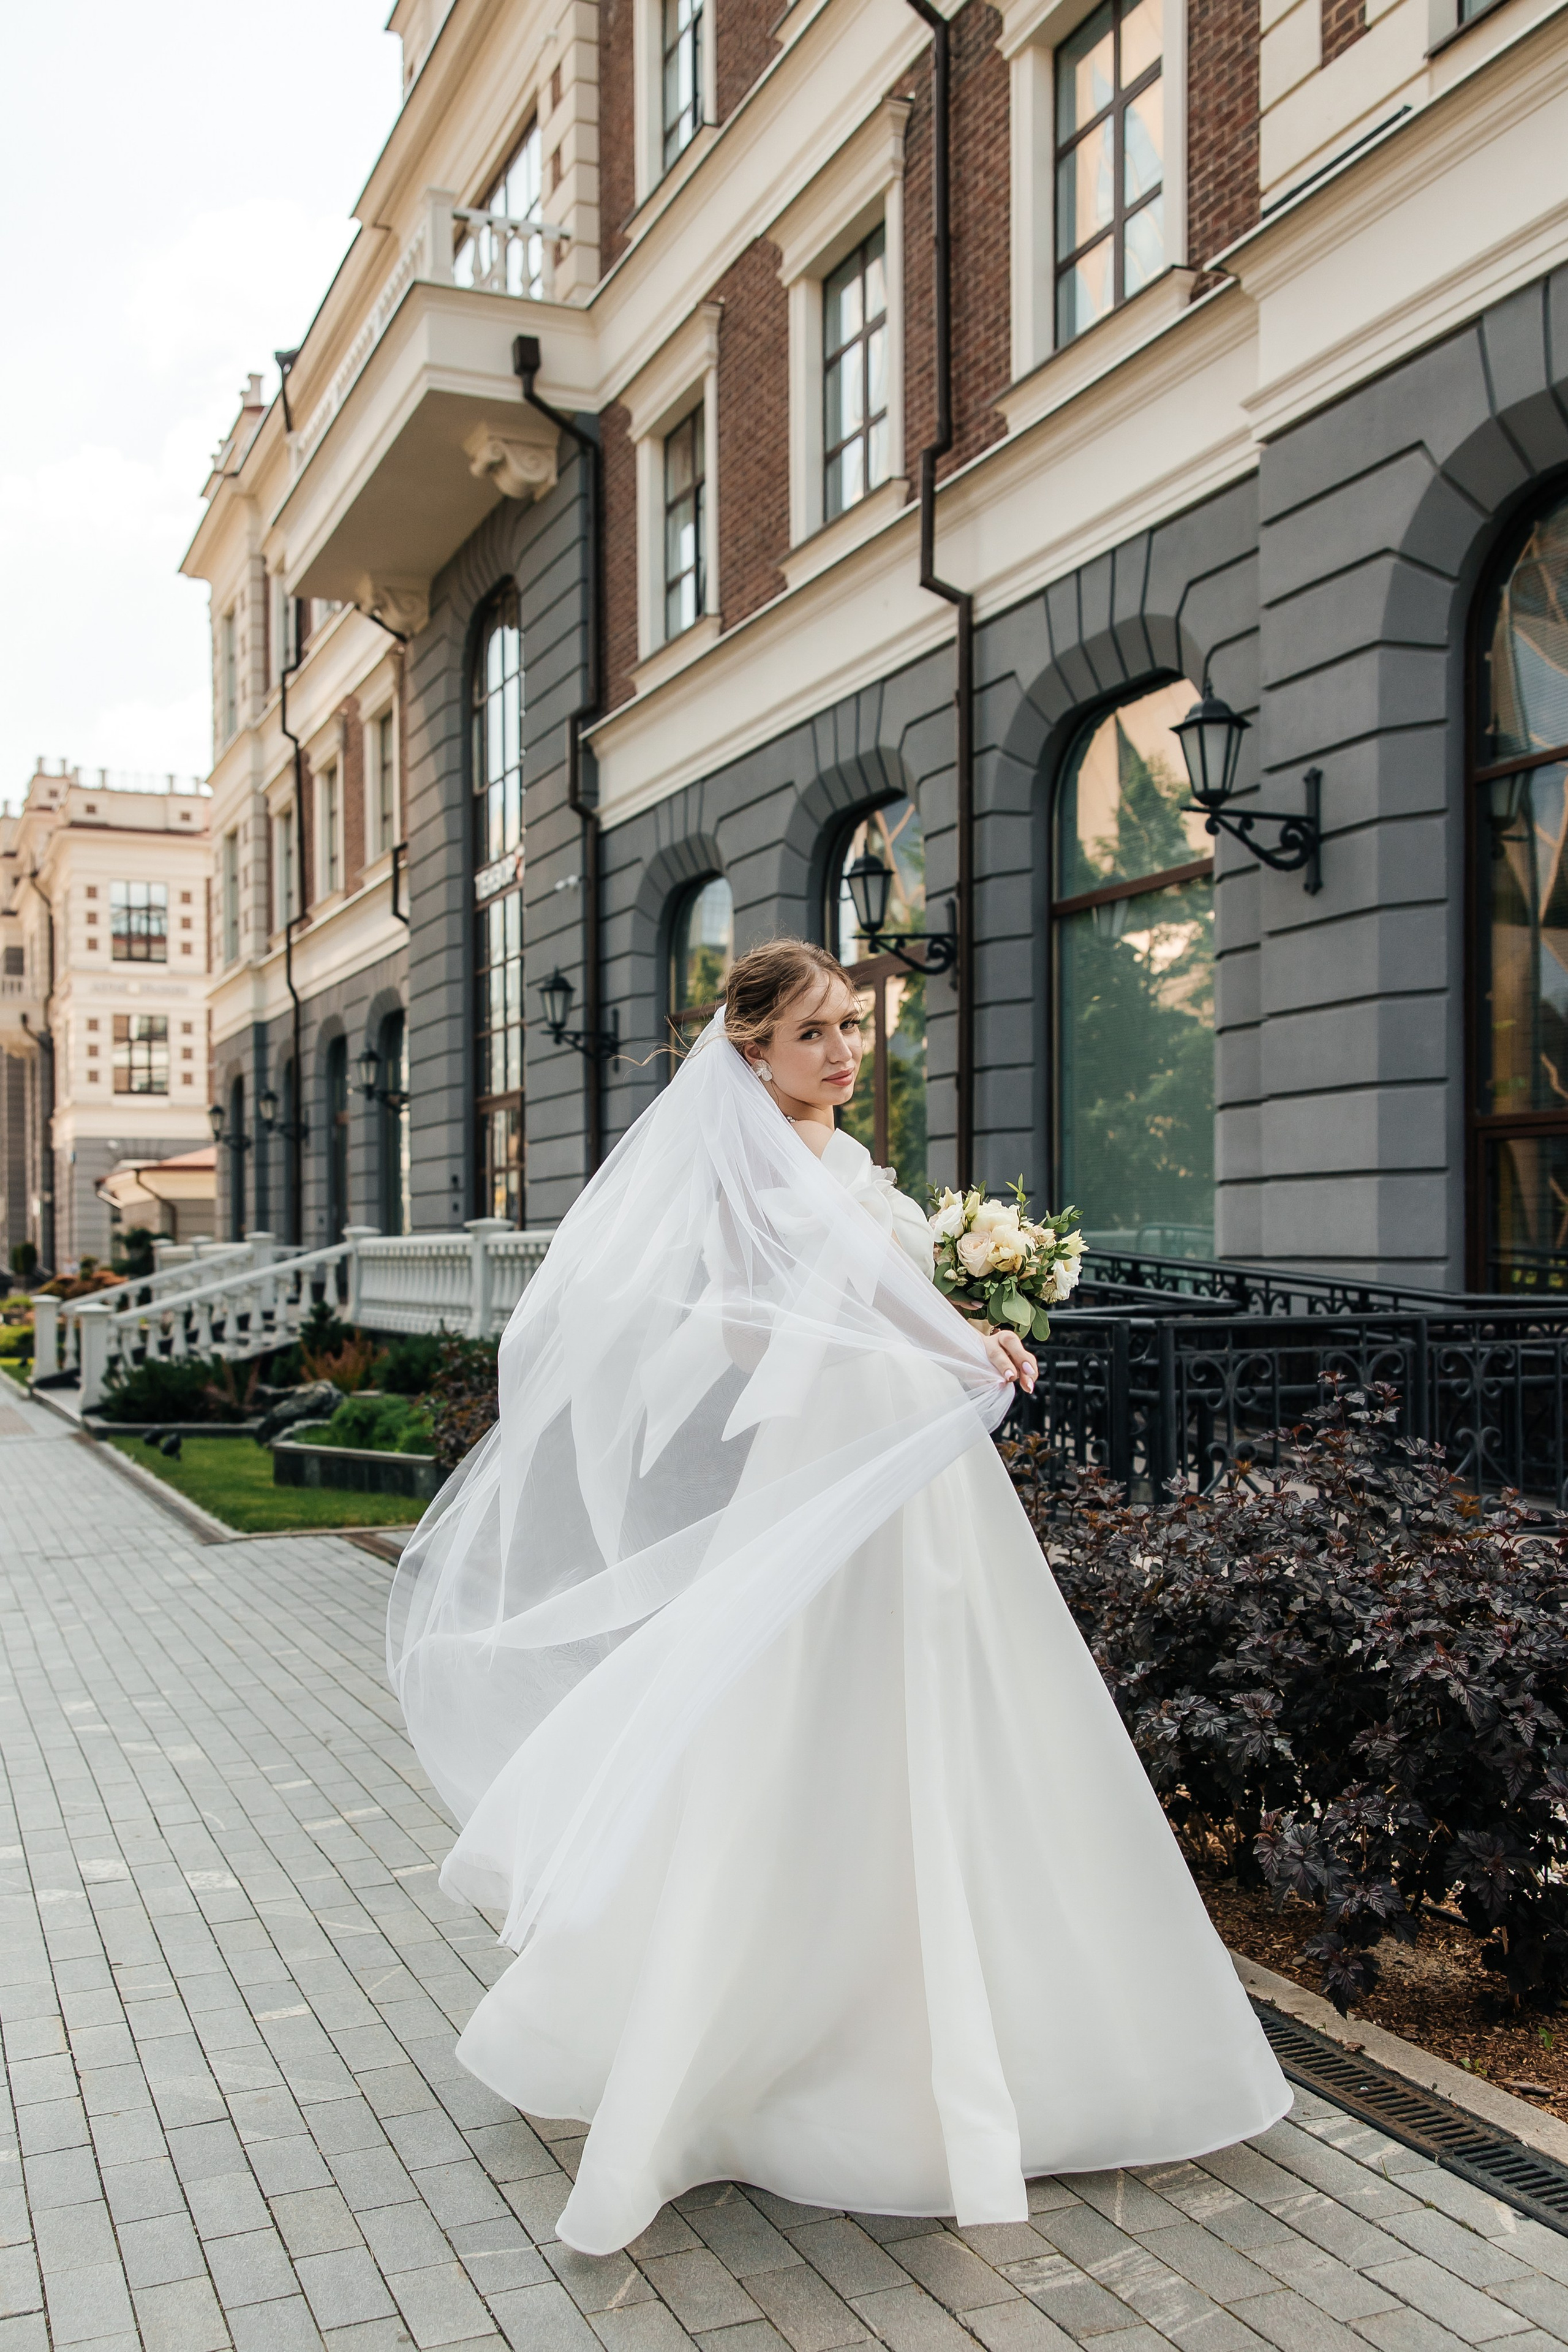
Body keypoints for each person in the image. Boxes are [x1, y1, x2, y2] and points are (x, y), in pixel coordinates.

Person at [388, 937, 1287, 2259]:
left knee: (968, 1704)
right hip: (837, 1469)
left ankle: (1023, 2016)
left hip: (916, 1465)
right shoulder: (744, 1172)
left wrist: (958, 1323)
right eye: (814, 1032)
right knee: (809, 1719)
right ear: (750, 1047)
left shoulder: (840, 1161)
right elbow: (768, 1326)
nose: (843, 1052)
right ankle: (758, 2031)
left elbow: (887, 1285)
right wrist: (942, 1334)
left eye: (852, 1026)